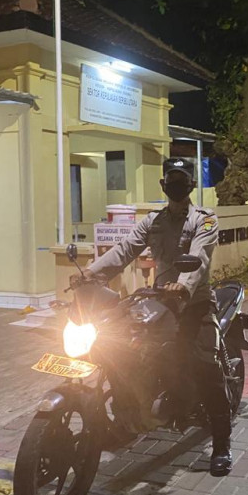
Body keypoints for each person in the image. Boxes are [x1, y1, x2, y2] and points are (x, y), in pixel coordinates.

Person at [85, 157, 233, 475]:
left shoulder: (204, 220)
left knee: (205, 367)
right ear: (163, 185)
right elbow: (124, 250)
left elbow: (199, 257)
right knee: (120, 348)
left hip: (194, 302)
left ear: (192, 184)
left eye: (182, 180)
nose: (176, 185)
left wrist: (183, 287)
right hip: (160, 302)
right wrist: (90, 274)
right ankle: (130, 416)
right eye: (171, 180)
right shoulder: (153, 221)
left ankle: (222, 443)